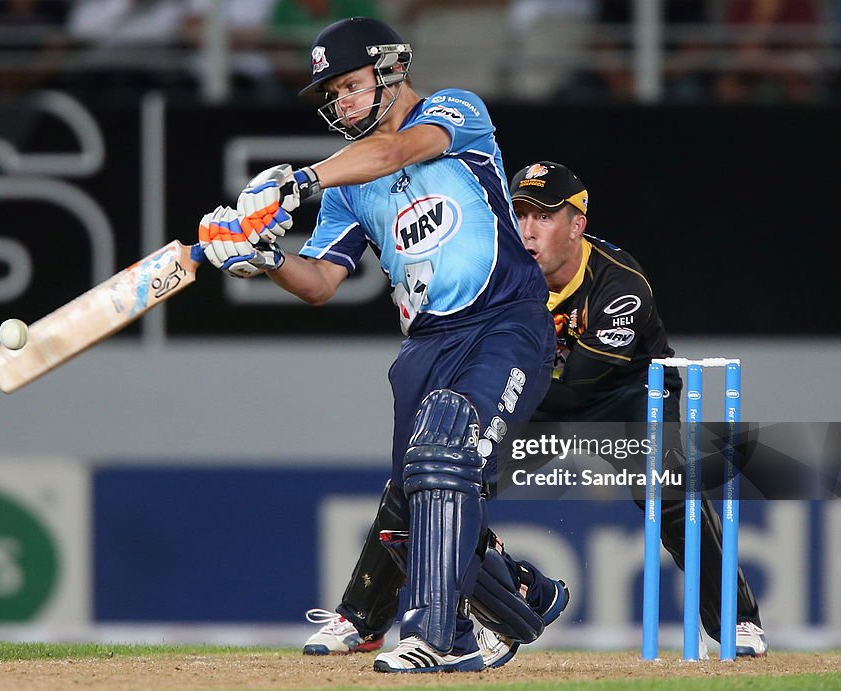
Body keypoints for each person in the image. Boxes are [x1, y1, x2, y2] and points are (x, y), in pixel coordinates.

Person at [196, 17, 562, 673]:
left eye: (351, 85)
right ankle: (524, 596)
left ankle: (438, 635)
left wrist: (298, 181)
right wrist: (264, 256)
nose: (341, 103)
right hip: (425, 346)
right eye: (332, 95)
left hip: (505, 322)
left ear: (392, 69)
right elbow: (319, 283)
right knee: (410, 513)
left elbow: (396, 151)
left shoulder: (455, 111)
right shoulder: (351, 185)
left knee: (444, 452)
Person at [299, 160, 770, 665]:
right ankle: (363, 619)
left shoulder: (619, 285)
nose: (527, 230)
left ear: (577, 224)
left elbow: (577, 381)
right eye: (518, 213)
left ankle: (735, 620)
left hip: (624, 397)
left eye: (543, 216)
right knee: (428, 481)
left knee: (673, 493)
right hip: (536, 397)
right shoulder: (495, 269)